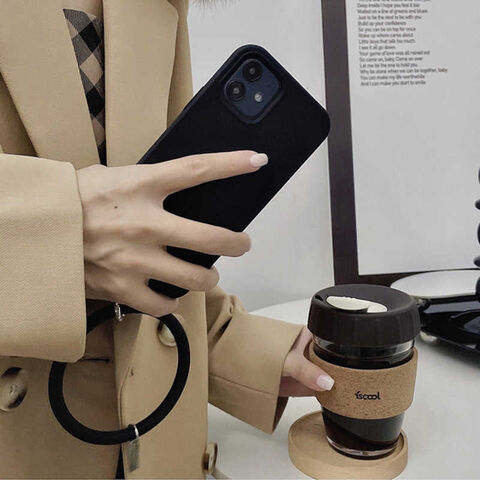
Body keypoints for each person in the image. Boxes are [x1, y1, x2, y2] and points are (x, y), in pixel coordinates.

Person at [0, 0, 334, 478]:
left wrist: (248, 352)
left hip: (159, 446)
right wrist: (56, 232)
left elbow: (143, 249)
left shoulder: (155, 6)